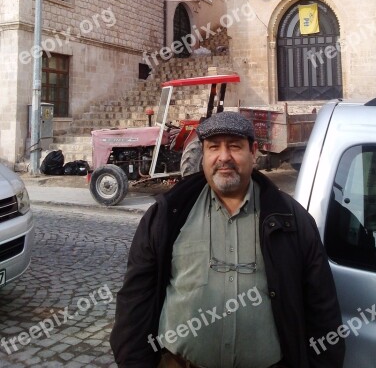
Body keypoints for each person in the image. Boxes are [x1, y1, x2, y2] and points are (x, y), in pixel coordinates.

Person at [110, 112, 345, 368]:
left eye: (234, 146)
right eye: (214, 147)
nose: (224, 157)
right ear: (203, 155)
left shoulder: (292, 220)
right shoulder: (169, 214)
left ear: (253, 152)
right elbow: (135, 300)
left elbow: (322, 309)